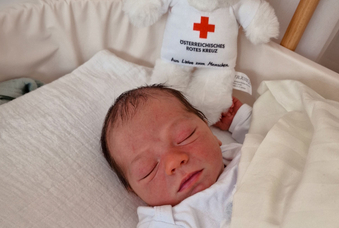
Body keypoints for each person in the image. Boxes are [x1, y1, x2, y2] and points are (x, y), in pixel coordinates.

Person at [100, 84, 251, 227]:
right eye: (148, 169)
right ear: (134, 190)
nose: (174, 161)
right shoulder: (166, 221)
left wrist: (240, 120)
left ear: (209, 131)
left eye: (185, 136)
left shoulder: (240, 154)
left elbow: (270, 137)